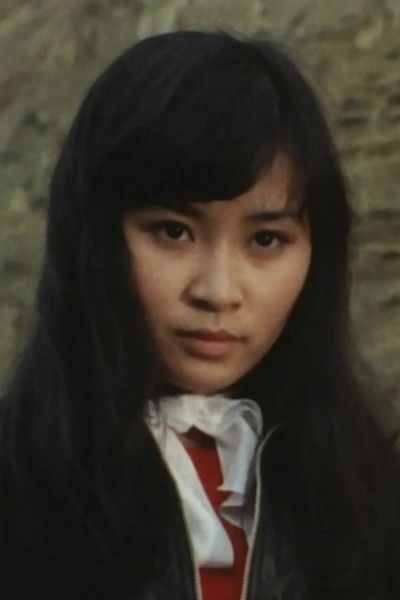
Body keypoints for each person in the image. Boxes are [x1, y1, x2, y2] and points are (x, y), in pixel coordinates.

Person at [0, 30, 399, 600]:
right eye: (173, 232)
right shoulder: (18, 492)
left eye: (266, 239)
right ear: (90, 237)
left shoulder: (369, 500)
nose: (218, 291)